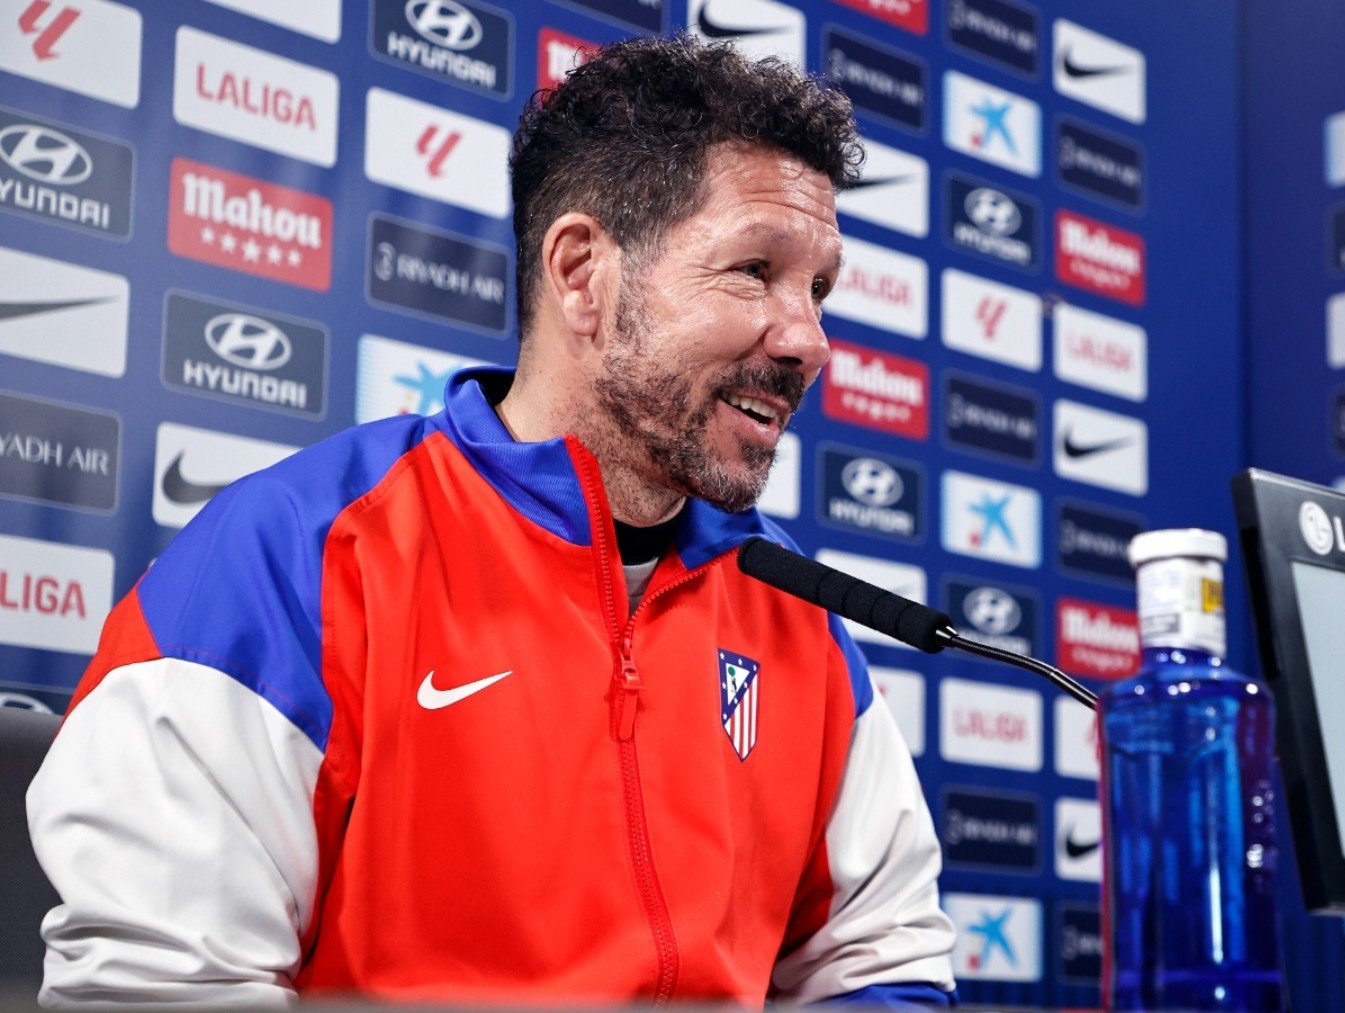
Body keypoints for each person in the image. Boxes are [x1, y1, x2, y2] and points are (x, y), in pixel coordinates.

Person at [26, 37, 957, 1006]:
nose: (808, 339)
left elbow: (880, 955)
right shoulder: (292, 558)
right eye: (754, 269)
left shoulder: (795, 612)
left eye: (819, 289)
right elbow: (154, 982)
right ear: (582, 272)